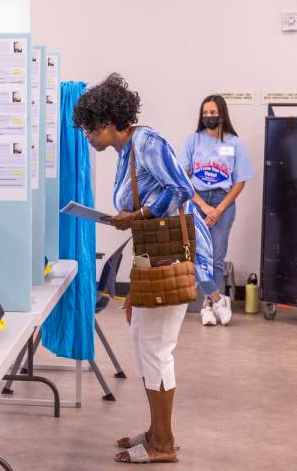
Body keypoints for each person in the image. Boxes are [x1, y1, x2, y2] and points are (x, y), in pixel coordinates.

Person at [72, 74, 213, 464]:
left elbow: (182, 188)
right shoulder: (126, 152)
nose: (87, 137)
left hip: (177, 255)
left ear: (106, 121)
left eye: (88, 129)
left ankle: (163, 444)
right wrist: (132, 217)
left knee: (156, 347)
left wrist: (138, 213)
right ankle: (155, 431)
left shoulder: (147, 142)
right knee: (142, 342)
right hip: (155, 255)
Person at [179, 95, 254, 326]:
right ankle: (215, 300)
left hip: (224, 202)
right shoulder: (193, 141)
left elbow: (240, 181)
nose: (209, 116)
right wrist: (203, 207)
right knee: (196, 256)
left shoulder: (235, 143)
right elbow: (183, 178)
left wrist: (218, 210)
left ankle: (209, 306)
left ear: (222, 114)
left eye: (213, 112)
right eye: (206, 113)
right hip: (198, 202)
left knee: (216, 257)